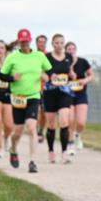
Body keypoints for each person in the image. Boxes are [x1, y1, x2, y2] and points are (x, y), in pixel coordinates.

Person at [1, 29, 52, 173]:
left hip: (33, 96)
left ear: (30, 41)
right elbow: (2, 75)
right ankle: (13, 149)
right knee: (17, 132)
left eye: (26, 41)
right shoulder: (12, 57)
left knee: (31, 128)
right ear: (19, 41)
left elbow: (49, 71)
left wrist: (45, 76)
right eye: (22, 41)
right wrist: (12, 78)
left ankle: (32, 161)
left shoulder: (39, 56)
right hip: (17, 98)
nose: (24, 43)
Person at [42, 34, 75, 164]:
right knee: (50, 124)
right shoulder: (47, 57)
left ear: (64, 44)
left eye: (61, 43)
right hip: (50, 92)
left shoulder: (68, 57)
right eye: (56, 43)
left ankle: (64, 153)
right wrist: (46, 76)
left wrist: (72, 75)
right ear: (52, 44)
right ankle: (51, 151)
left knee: (63, 121)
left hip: (64, 92)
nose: (59, 45)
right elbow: (42, 71)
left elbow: (70, 72)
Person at [65, 41, 94, 153]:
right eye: (69, 49)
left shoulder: (83, 61)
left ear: (75, 50)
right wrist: (70, 65)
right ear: (66, 51)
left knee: (81, 122)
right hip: (68, 95)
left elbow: (91, 75)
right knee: (70, 120)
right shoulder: (64, 63)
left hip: (81, 94)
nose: (71, 51)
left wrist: (85, 80)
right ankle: (70, 143)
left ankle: (78, 135)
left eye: (73, 49)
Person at [35, 34, 48, 144]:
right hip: (34, 88)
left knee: (44, 113)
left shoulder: (48, 56)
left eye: (43, 42)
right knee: (37, 111)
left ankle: (40, 130)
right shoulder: (32, 55)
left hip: (46, 89)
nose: (42, 44)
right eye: (40, 42)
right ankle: (35, 132)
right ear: (36, 43)